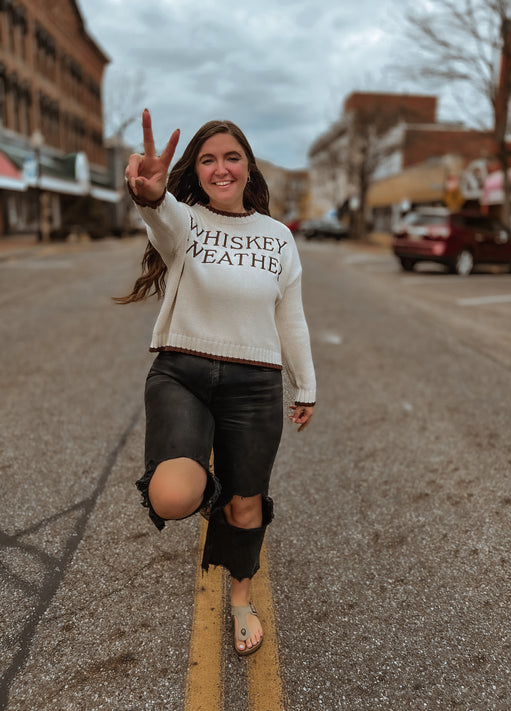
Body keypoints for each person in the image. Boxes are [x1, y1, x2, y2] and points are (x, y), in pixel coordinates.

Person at [119, 109, 316, 656]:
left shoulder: (277, 237)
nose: (221, 168)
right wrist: (152, 196)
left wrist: (306, 386)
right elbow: (161, 219)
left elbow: (291, 317)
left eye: (232, 157)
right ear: (197, 171)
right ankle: (217, 493)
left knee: (247, 509)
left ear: (249, 167)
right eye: (208, 159)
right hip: (182, 374)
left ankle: (240, 600)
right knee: (173, 495)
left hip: (254, 386)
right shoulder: (184, 221)